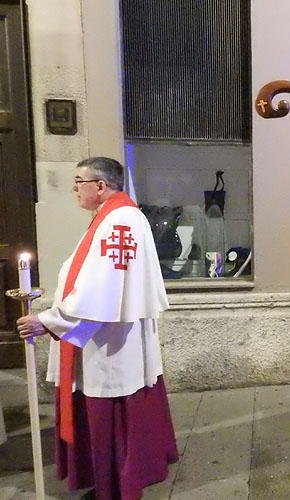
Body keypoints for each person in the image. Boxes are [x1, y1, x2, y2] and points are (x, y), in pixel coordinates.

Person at [17, 157, 178, 500]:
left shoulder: (119, 220)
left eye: (79, 181)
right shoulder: (116, 216)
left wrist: (48, 321)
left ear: (101, 186)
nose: (74, 188)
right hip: (109, 333)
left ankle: (116, 483)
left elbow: (101, 289)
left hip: (108, 341)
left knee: (110, 407)